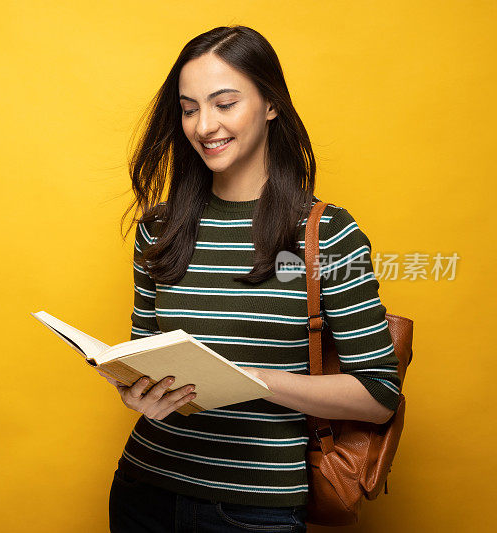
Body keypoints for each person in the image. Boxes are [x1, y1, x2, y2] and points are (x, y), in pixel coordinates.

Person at [99, 26, 402, 532]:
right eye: (190, 107)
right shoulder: (158, 228)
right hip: (143, 490)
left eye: (224, 103)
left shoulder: (325, 233)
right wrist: (135, 392)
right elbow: (145, 357)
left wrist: (251, 382)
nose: (204, 125)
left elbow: (379, 395)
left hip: (253, 512)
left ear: (270, 105)